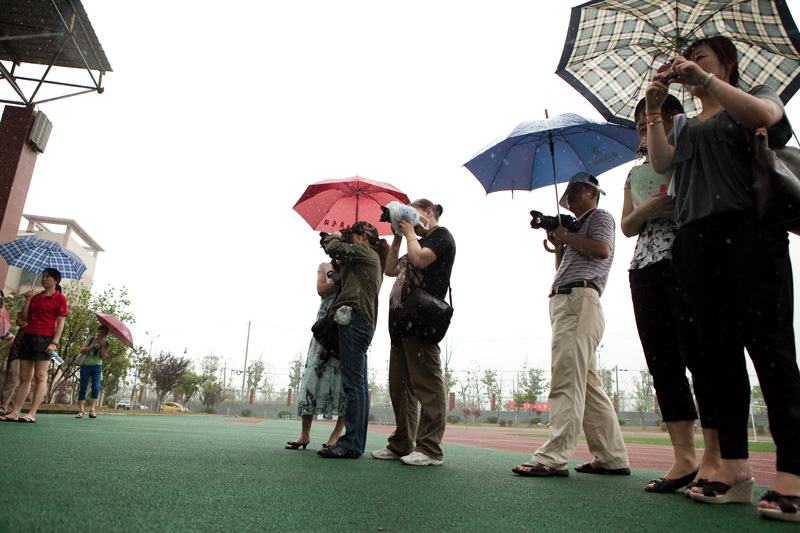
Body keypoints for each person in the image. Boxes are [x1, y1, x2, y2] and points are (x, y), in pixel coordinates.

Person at [646, 35, 800, 519]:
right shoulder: (686, 124)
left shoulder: (755, 97)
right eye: (687, 60)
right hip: (695, 240)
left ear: (726, 63)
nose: (689, 66)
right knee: (716, 355)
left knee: (771, 349)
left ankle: (793, 473)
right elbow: (662, 163)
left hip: (750, 233)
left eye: (701, 57)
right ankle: (734, 466)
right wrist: (653, 111)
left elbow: (766, 117)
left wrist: (708, 81)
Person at [621, 96, 720, 494]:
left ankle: (715, 457)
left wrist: (674, 205)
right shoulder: (634, 174)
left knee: (700, 356)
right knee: (662, 363)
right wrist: (647, 209)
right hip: (644, 266)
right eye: (641, 127)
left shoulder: (693, 155)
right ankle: (684, 458)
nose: (645, 133)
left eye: (653, 123)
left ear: (675, 119)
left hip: (687, 258)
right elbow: (628, 225)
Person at [512, 172, 629, 478]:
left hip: (578, 300)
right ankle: (612, 456)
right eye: (570, 190)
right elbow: (563, 265)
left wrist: (569, 237)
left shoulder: (600, 217)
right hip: (570, 300)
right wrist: (560, 243)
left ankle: (553, 456)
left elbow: (602, 249)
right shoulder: (577, 227)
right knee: (589, 387)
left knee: (565, 378)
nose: (571, 193)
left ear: (594, 193)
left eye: (578, 189)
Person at [371, 199, 455, 466]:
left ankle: (430, 448)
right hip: (400, 323)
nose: (413, 223)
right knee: (400, 388)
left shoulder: (441, 237)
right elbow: (390, 269)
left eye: (415, 215)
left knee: (427, 385)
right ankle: (401, 443)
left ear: (429, 211)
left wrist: (409, 233)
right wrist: (398, 236)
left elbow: (419, 260)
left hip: (422, 320)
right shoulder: (413, 242)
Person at [317, 221, 388, 459]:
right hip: (360, 321)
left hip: (355, 320)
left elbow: (335, 247)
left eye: (352, 235)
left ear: (364, 236)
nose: (349, 238)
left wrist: (334, 237)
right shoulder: (366, 258)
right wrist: (337, 257)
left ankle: (351, 444)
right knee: (358, 384)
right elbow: (341, 276)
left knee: (354, 384)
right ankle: (355, 443)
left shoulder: (366, 251)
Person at [286, 261, 347, 450]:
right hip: (323, 325)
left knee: (345, 381)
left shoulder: (354, 263)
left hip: (345, 324)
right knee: (312, 376)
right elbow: (321, 289)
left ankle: (336, 435)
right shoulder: (325, 265)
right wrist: (340, 281)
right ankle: (305, 434)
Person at [0, 268, 68, 423]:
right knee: (24, 377)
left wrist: (54, 342)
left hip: (45, 339)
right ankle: (15, 412)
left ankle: (32, 413)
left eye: (48, 277)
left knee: (40, 376)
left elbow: (61, 323)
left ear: (56, 280)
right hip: (28, 336)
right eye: (43, 276)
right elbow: (24, 317)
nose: (44, 279)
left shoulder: (60, 299)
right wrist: (28, 300)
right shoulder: (36, 297)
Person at [76, 325, 110, 419]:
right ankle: (81, 410)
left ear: (106, 334)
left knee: (95, 387)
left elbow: (103, 357)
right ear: (97, 330)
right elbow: (82, 350)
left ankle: (92, 409)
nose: (101, 333)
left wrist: (101, 346)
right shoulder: (90, 339)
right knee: (83, 387)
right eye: (101, 331)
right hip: (86, 366)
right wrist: (92, 347)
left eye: (104, 332)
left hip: (97, 367)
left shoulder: (106, 344)